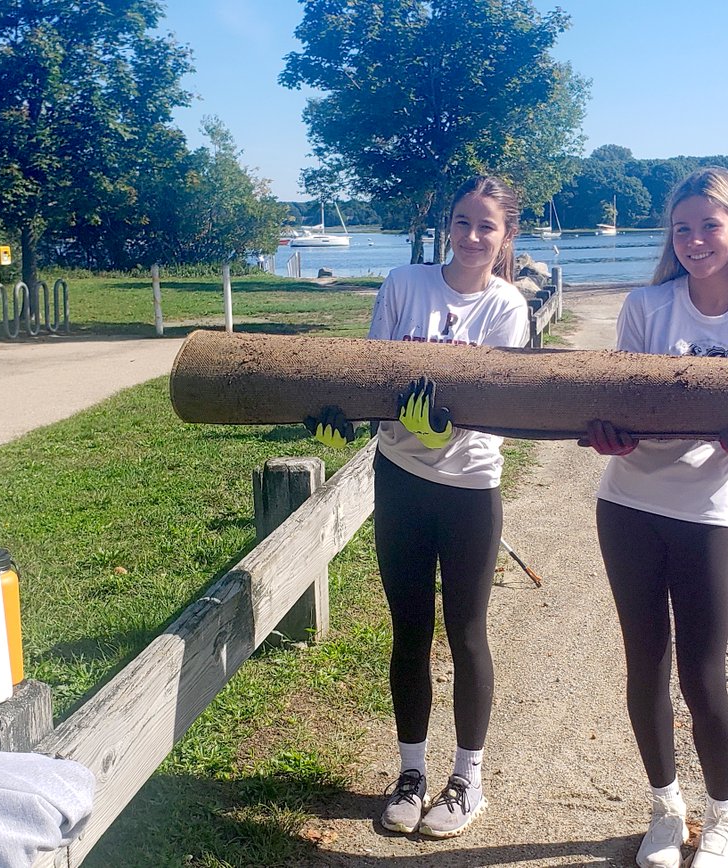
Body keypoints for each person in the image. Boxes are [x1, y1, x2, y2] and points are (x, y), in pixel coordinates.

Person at [581, 166, 728, 868]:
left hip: (709, 509)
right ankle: (665, 809)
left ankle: (725, 818)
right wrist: (607, 432)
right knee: (643, 662)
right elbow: (624, 402)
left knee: (703, 674)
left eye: (710, 225)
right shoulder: (648, 306)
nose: (696, 240)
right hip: (628, 503)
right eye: (682, 228)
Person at [306, 176, 528, 839]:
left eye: (486, 226)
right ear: (448, 227)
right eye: (461, 222)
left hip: (469, 487)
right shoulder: (405, 285)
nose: (471, 236)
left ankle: (468, 780)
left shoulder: (508, 306)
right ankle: (410, 773)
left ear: (505, 236)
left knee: (465, 634)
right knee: (409, 631)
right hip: (401, 477)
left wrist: (449, 430)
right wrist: (343, 416)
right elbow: (375, 374)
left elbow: (502, 403)